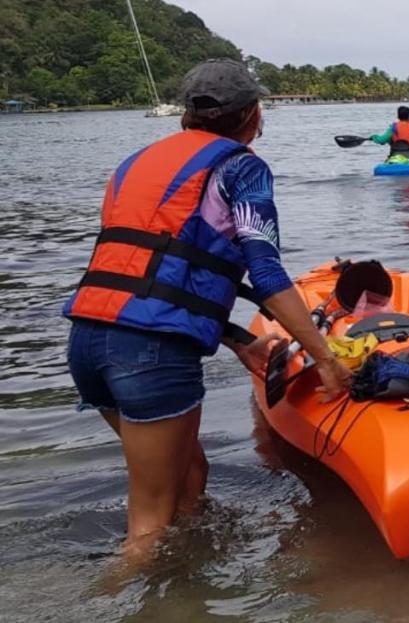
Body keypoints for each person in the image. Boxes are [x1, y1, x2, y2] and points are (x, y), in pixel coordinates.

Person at [63, 59, 353, 564]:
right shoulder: (242, 167)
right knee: (149, 523)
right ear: (253, 115)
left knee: (190, 476)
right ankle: (119, 597)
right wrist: (325, 357)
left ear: (186, 118)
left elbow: (154, 277)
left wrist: (240, 341)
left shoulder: (134, 164)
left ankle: (188, 581)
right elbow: (266, 274)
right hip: (150, 354)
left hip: (88, 344)